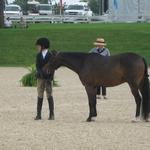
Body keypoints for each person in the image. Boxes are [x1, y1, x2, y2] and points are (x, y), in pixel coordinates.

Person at [35, 37, 54, 120]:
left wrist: (50, 78)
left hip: (48, 78)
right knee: (40, 94)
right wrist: (40, 73)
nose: (37, 47)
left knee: (49, 94)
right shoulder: (38, 55)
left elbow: (52, 67)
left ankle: (51, 114)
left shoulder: (50, 55)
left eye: (38, 46)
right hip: (40, 78)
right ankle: (38, 114)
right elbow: (37, 66)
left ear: (43, 46)